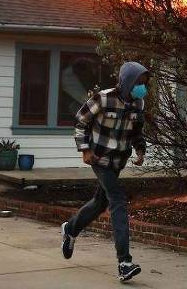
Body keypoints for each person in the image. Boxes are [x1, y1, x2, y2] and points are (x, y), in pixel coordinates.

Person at [61, 62, 149, 282]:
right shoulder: (103, 98)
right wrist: (84, 150)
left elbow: (137, 132)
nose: (142, 87)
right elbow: (81, 122)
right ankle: (124, 263)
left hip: (118, 161)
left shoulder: (139, 103)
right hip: (99, 158)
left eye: (144, 83)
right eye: (139, 82)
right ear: (128, 81)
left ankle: (70, 229)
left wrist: (140, 150)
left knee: (100, 202)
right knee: (118, 199)